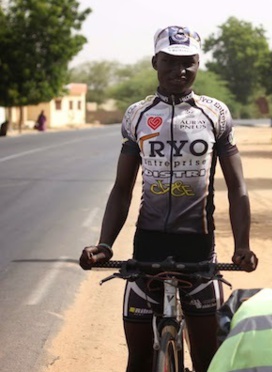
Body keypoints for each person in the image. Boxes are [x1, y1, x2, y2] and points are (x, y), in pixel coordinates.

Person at [78, 25, 258, 372]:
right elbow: (122, 188)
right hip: (147, 249)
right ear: (155, 62)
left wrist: (243, 245)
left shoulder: (215, 113)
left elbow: (238, 187)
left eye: (189, 62)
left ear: (198, 63)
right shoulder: (137, 114)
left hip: (199, 251)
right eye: (170, 62)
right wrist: (104, 244)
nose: (180, 71)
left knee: (208, 361)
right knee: (140, 360)